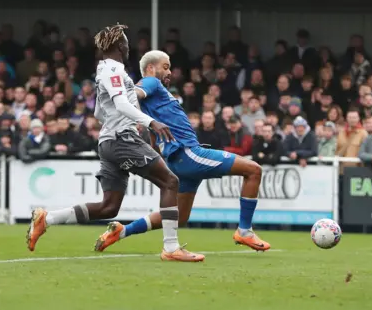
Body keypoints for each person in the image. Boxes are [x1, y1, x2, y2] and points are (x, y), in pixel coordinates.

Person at [25, 25, 204, 262]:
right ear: (120, 46)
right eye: (127, 43)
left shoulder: (103, 71)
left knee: (109, 207)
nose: (129, 47)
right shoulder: (114, 70)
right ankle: (171, 248)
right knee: (170, 182)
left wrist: (124, 119)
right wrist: (151, 122)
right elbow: (120, 105)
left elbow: (100, 111)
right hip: (122, 139)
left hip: (109, 141)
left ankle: (46, 219)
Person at [94, 50, 270, 253]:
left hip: (178, 161)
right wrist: (119, 97)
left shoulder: (155, 100)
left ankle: (121, 231)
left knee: (179, 216)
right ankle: (245, 231)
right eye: (165, 67)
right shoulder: (151, 82)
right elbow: (135, 93)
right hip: (188, 154)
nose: (169, 72)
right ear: (151, 68)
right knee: (253, 170)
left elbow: (152, 138)